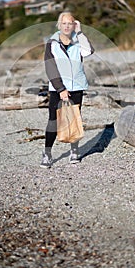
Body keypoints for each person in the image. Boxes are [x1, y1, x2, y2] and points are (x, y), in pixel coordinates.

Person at [40, 11, 95, 168]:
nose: (67, 26)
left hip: (77, 86)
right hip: (58, 89)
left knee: (74, 119)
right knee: (53, 121)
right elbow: (50, 67)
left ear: (74, 24)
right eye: (64, 23)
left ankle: (74, 151)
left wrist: (80, 32)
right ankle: (47, 153)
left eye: (70, 23)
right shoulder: (52, 43)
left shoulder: (79, 41)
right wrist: (60, 88)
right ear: (59, 25)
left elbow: (89, 51)